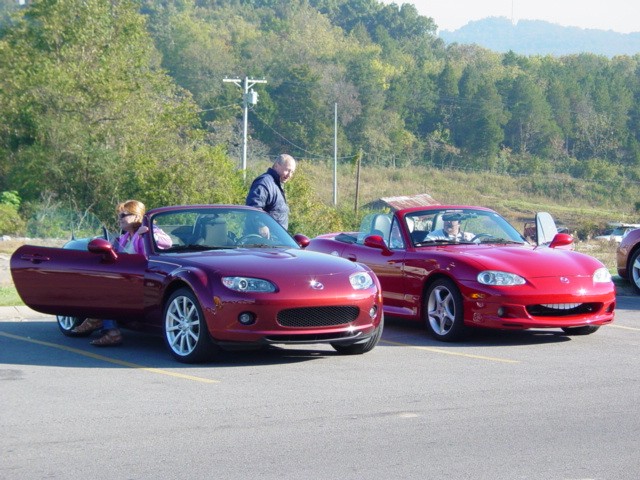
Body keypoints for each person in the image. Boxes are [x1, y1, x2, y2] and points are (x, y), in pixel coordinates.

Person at [72, 200, 172, 346]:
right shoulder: (125, 237)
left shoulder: (149, 231)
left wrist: (146, 234)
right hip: (128, 279)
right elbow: (120, 256)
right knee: (99, 283)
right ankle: (97, 321)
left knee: (108, 292)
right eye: (118, 215)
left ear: (136, 216)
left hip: (145, 279)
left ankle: (106, 328)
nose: (119, 219)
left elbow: (168, 242)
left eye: (123, 215)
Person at [245, 154, 296, 233]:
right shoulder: (264, 183)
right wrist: (261, 225)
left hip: (277, 238)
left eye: (292, 172)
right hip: (261, 239)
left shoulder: (277, 185)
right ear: (276, 166)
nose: (289, 175)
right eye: (287, 170)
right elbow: (253, 208)